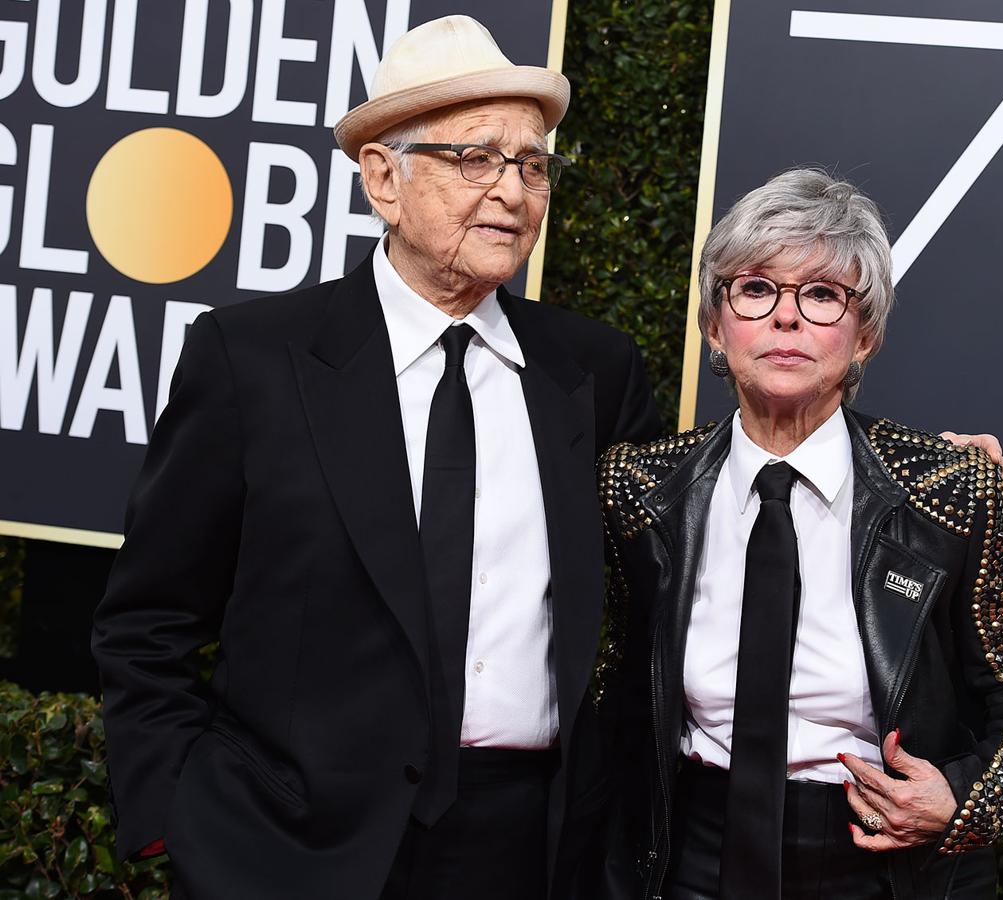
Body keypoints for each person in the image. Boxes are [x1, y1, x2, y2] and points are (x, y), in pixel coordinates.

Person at [91, 16, 662, 900]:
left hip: (526, 854)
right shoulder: (253, 360)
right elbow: (148, 620)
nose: (513, 192)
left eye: (533, 163)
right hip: (284, 852)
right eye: (477, 159)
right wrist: (177, 822)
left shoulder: (593, 371)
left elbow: (673, 559)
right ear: (383, 179)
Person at [597, 168, 1003, 900]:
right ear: (713, 325)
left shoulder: (948, 490)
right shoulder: (637, 488)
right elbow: (603, 684)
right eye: (755, 289)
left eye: (821, 295)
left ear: (865, 335)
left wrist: (959, 800)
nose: (786, 318)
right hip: (689, 856)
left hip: (882, 864)